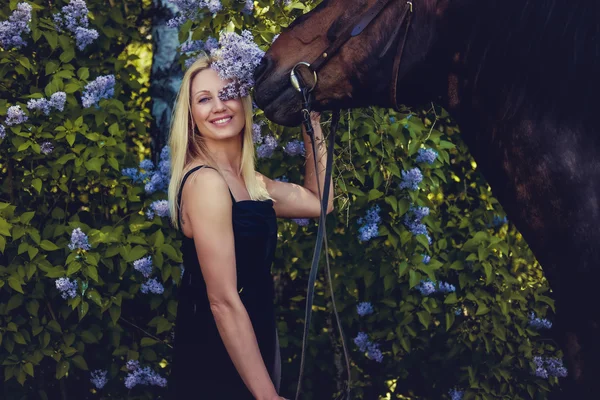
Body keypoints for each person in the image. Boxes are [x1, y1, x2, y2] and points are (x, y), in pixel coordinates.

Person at [167, 53, 334, 400]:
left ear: (243, 103)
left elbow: (322, 201)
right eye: (204, 99)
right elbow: (222, 301)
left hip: (255, 338)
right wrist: (267, 396)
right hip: (216, 354)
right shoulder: (206, 183)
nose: (218, 106)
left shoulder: (251, 181)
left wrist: (310, 120)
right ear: (191, 116)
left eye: (228, 93)